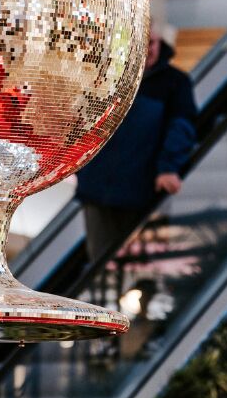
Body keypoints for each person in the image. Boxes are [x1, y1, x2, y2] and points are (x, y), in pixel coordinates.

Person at [74, 33, 198, 262]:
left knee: (142, 265)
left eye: (151, 42)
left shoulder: (174, 82)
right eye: (141, 42)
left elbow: (182, 127)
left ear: (160, 43)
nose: (147, 49)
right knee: (101, 264)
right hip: (96, 189)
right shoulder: (105, 76)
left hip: (143, 191)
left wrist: (168, 168)